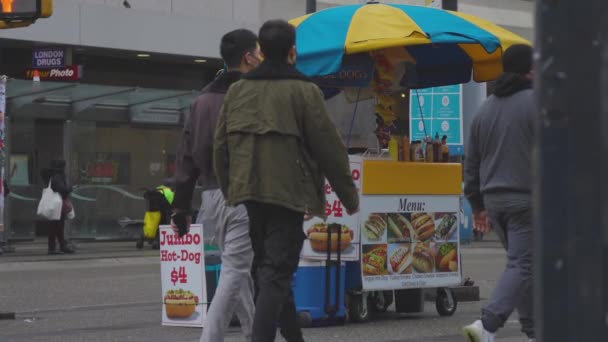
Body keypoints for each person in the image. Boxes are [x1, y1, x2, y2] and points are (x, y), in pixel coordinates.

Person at [213, 20, 359, 342]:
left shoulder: (237, 91)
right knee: (276, 275)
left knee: (269, 270)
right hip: (288, 195)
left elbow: (220, 147)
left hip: (249, 195)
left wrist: (230, 190)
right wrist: (350, 198)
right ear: (293, 51)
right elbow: (329, 148)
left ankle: (294, 337)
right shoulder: (305, 92)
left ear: (261, 52)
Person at [172, 29, 261, 342]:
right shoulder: (252, 95)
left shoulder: (202, 100)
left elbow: (185, 156)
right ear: (249, 57)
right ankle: (210, 337)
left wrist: (181, 207)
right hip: (244, 193)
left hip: (211, 195)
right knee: (236, 270)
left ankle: (254, 333)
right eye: (259, 52)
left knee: (238, 267)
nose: (262, 57)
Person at [463, 44, 536, 342]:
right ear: (531, 70)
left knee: (521, 266)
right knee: (524, 265)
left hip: (494, 202)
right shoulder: (539, 103)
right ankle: (487, 325)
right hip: (528, 200)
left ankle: (534, 331)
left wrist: (477, 204)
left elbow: (472, 163)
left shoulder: (485, 109)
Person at [40, 160, 75, 255]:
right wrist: (70, 189)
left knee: (57, 227)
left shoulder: (51, 175)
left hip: (55, 205)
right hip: (57, 206)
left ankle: (61, 246)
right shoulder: (57, 176)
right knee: (56, 227)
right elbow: (62, 189)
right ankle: (53, 248)